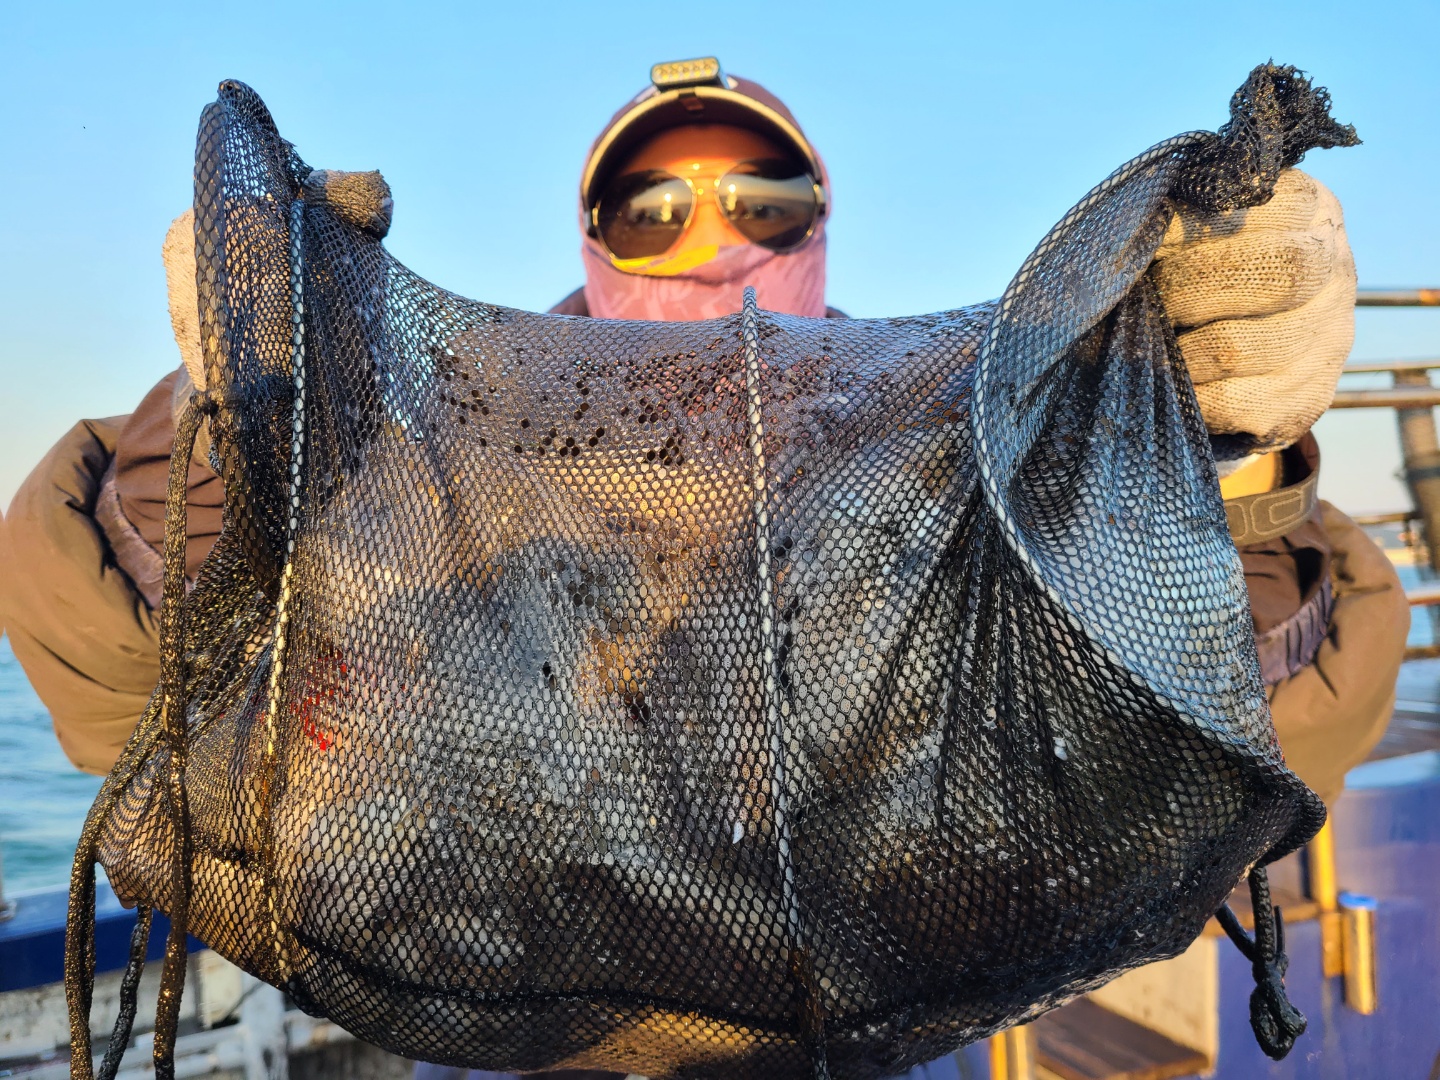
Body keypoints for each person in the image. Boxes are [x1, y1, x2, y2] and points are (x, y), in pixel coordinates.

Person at [0, 57, 1408, 1080]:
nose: (714, 243)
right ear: (590, 238)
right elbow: (145, 699)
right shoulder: (411, 469)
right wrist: (227, 427)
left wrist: (1226, 464)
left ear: (821, 223)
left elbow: (1240, 725)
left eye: (766, 200)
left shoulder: (976, 467)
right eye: (651, 208)